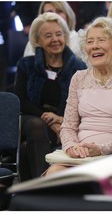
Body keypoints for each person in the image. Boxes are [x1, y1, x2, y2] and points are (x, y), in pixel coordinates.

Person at [44, 17, 112, 175]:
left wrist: (101, 149)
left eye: (101, 40)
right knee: (54, 174)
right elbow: (68, 126)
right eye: (90, 41)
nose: (94, 46)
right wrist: (71, 147)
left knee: (95, 179)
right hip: (81, 155)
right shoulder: (78, 78)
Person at [14, 12, 87, 181]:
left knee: (26, 149)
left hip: (65, 120)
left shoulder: (78, 66)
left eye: (58, 34)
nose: (55, 39)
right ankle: (44, 183)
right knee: (36, 125)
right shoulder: (26, 64)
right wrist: (48, 119)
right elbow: (20, 100)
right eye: (48, 36)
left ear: (65, 36)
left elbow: (83, 102)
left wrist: (61, 119)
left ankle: (36, 186)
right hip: (31, 118)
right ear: (37, 40)